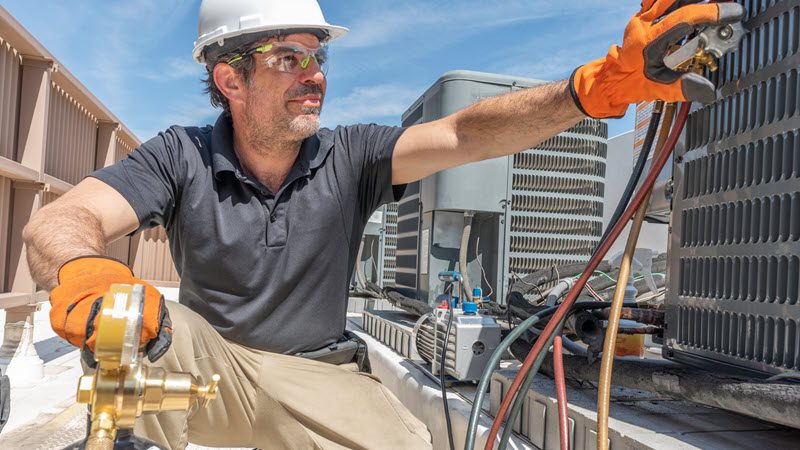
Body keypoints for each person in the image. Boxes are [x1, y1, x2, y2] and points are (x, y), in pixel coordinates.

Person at [22, 0, 743, 448]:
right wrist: (86, 268)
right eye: (289, 58)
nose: (315, 74)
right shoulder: (179, 155)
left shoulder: (353, 155)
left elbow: (464, 135)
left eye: (319, 56)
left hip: (321, 382)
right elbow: (66, 219)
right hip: (215, 378)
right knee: (127, 323)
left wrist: (594, 89)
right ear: (229, 79)